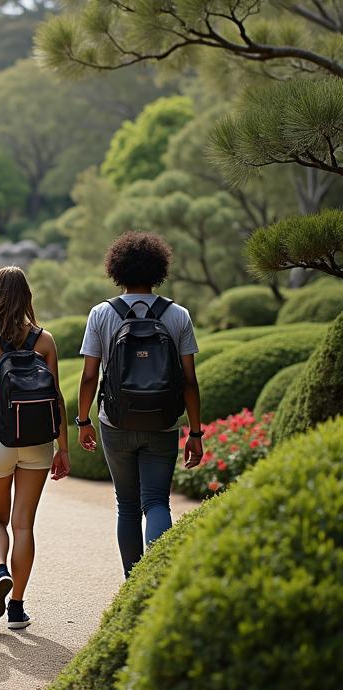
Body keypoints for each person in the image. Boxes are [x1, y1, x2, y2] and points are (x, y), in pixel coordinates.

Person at [76, 231, 203, 577]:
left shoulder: (101, 314)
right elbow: (189, 380)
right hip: (162, 422)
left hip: (115, 422)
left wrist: (83, 420)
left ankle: (134, 585)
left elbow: (89, 376)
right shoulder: (178, 315)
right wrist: (196, 431)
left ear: (117, 269)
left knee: (128, 507)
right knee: (157, 502)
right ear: (159, 269)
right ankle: (157, 581)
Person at [0, 267, 70, 630]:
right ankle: (17, 607)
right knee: (24, 526)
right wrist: (63, 449)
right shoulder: (45, 340)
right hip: (37, 441)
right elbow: (56, 398)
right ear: (27, 298)